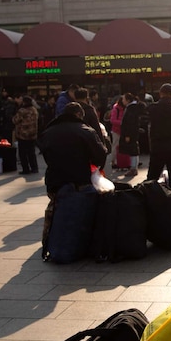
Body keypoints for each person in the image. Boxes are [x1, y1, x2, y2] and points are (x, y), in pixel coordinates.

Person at [37, 101, 108, 246]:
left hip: (55, 180)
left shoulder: (49, 131)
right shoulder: (85, 130)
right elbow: (100, 155)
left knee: (56, 209)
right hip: (80, 179)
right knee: (83, 210)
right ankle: (82, 243)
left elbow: (45, 153)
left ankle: (50, 241)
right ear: (78, 115)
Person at [13, 96, 39, 174]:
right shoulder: (34, 110)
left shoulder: (22, 111)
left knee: (23, 153)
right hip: (33, 134)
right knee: (31, 152)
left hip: (23, 135)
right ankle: (34, 168)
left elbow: (15, 120)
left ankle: (26, 169)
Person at [121, 93, 143, 177]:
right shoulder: (132, 108)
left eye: (123, 99)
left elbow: (129, 123)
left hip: (131, 133)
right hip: (133, 132)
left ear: (128, 100)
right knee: (133, 150)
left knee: (132, 151)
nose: (122, 101)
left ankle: (133, 168)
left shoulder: (131, 109)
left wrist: (127, 135)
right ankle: (134, 167)